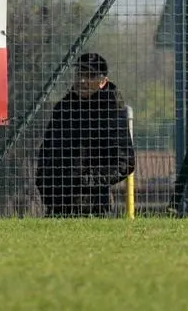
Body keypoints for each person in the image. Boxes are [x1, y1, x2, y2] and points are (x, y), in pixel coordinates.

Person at [35, 52, 136, 218]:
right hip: (58, 205)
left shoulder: (111, 112)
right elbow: (46, 153)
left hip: (95, 207)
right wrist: (45, 185)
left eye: (90, 76)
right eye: (80, 74)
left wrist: (86, 182)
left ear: (103, 81)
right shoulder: (63, 109)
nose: (83, 80)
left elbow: (125, 162)